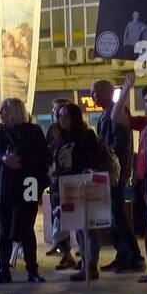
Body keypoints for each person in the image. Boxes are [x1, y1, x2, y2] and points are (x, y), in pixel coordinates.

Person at [0, 98, 49, 283]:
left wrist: (21, 161)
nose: (0, 113)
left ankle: (32, 270)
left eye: (3, 109)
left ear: (13, 111)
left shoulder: (33, 131)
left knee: (27, 228)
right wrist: (3, 160)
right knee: (4, 229)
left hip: (28, 183)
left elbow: (44, 157)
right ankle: (4, 269)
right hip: (4, 185)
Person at [113, 76, 147, 283]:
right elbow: (116, 116)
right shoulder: (144, 123)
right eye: (146, 100)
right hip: (142, 182)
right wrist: (126, 90)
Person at [92, 79, 145, 273]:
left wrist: (103, 155)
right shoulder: (104, 115)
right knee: (114, 215)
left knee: (118, 215)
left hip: (116, 173)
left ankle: (133, 255)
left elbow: (119, 144)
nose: (92, 97)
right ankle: (122, 254)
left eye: (95, 93)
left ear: (107, 93)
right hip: (108, 172)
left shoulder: (117, 114)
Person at [52, 103, 105, 281]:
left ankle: (91, 264)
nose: (63, 120)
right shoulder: (60, 138)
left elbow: (93, 159)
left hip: (83, 184)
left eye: (66, 116)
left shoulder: (86, 135)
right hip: (66, 186)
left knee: (88, 226)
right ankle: (85, 263)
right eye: (60, 116)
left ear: (75, 117)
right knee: (77, 227)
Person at [43, 100, 77, 270]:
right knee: (59, 219)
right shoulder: (54, 132)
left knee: (78, 220)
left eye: (64, 114)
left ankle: (86, 259)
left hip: (74, 183)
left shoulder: (80, 135)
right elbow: (47, 153)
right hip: (57, 181)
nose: (60, 118)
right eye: (57, 113)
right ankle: (66, 253)